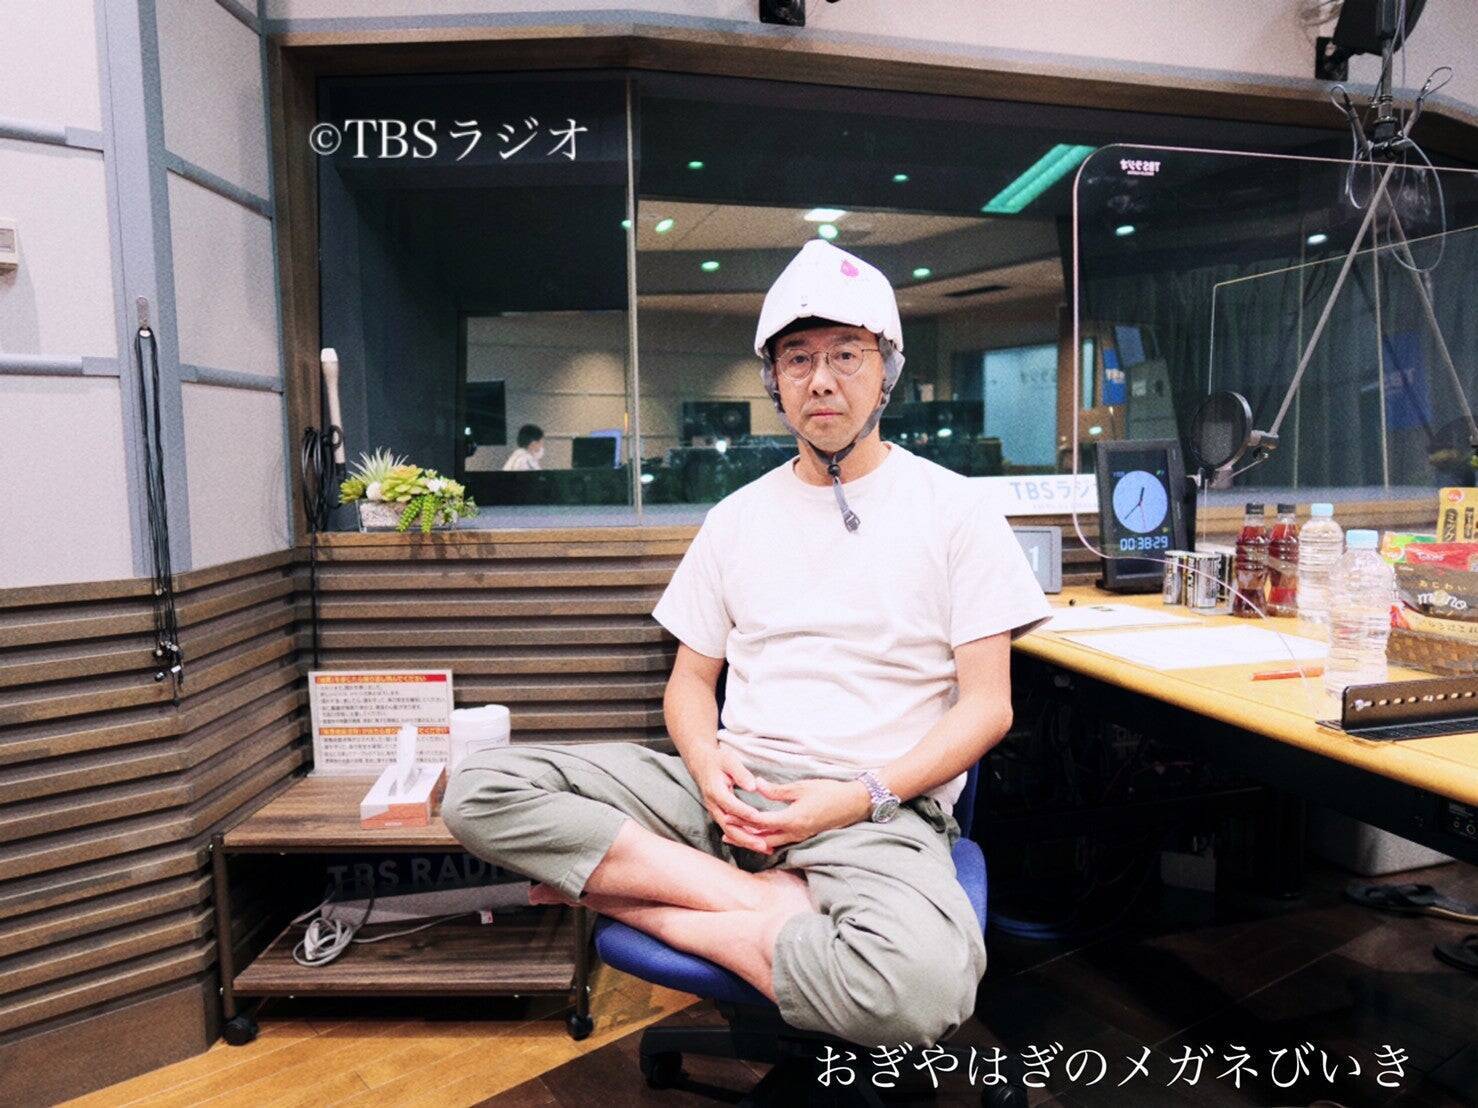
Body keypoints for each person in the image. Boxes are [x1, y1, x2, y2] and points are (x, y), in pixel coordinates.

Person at [444, 239, 1050, 1049]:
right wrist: (705, 766)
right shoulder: (736, 518)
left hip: (874, 810)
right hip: (728, 796)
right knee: (476, 788)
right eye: (798, 359)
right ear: (774, 380)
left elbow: (988, 707)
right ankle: (757, 904)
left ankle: (655, 904)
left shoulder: (957, 510)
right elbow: (691, 684)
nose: (821, 379)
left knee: (921, 992)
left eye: (846, 353)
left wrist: (856, 795)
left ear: (887, 369)